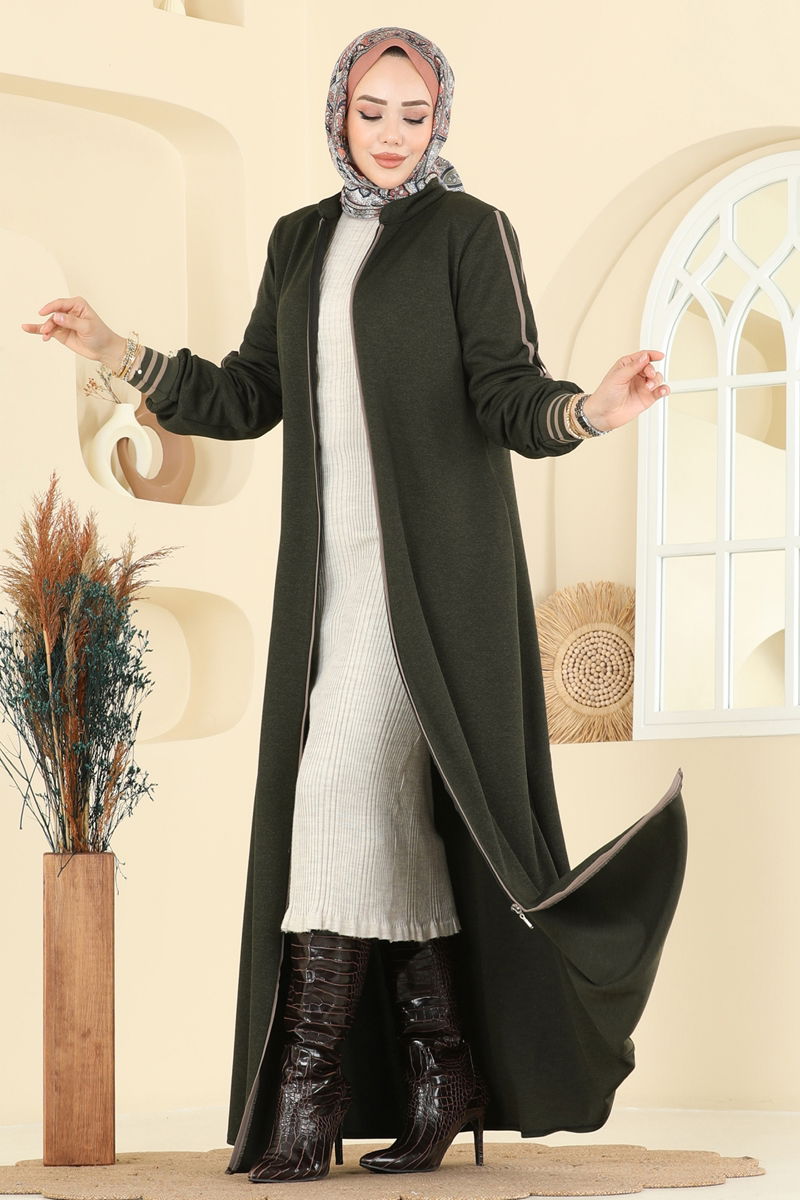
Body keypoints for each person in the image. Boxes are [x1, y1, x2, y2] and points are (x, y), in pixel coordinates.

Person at [22, 25, 688, 1186]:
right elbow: (247, 396)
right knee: (380, 822)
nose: (390, 134)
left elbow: (505, 393)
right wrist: (114, 349)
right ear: (337, 111)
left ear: (439, 121)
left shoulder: (468, 232)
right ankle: (441, 1071)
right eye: (370, 111)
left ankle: (306, 1093)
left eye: (413, 114)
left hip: (436, 586)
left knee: (330, 799)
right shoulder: (299, 239)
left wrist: (587, 411)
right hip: (327, 594)